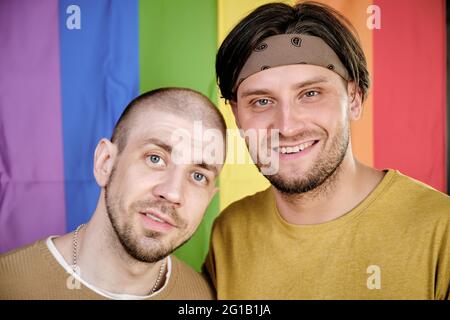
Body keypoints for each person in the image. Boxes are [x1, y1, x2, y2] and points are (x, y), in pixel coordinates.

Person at [204, 1, 450, 299]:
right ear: (237, 114)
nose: (288, 127)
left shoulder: (442, 228)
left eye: (310, 94)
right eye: (262, 101)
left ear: (355, 99)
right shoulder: (229, 232)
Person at [0, 87, 226, 299]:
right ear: (105, 163)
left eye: (198, 176)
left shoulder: (206, 298)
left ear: (209, 198)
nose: (173, 193)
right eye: (155, 158)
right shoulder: (9, 284)